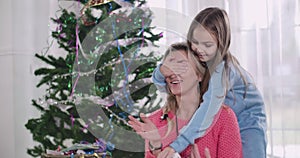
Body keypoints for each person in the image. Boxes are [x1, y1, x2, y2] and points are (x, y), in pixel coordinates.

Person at [151, 7, 267, 158]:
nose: (199, 49)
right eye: (195, 42)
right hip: (223, 116)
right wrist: (162, 70)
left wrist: (176, 146)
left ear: (221, 44)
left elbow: (207, 112)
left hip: (248, 121)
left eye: (208, 45)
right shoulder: (201, 59)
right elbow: (164, 85)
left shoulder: (223, 71)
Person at [128, 42, 243, 158]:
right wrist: (156, 146)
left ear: (199, 75)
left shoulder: (223, 117)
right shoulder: (155, 121)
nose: (173, 73)